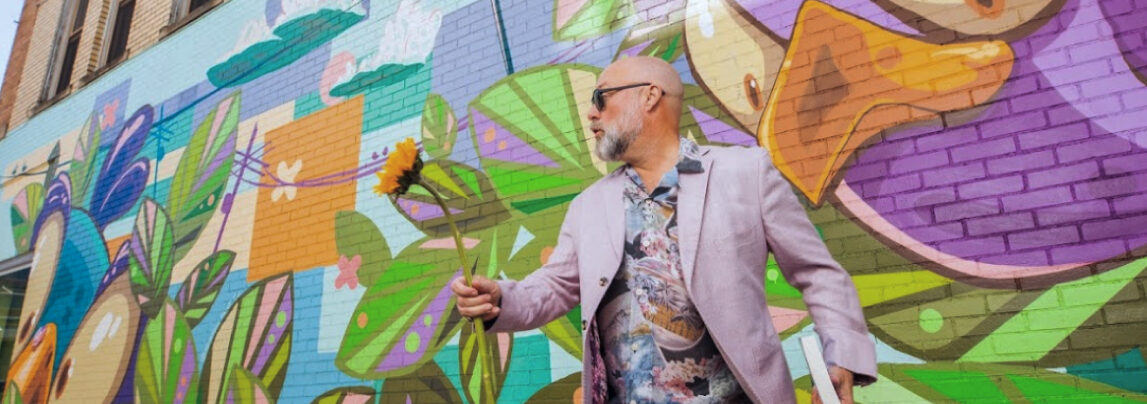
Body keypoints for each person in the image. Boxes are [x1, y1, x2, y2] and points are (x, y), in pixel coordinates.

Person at [451, 56, 876, 403]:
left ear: (649, 96)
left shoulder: (745, 173)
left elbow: (816, 272)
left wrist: (841, 355)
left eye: (602, 97)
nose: (591, 112)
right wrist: (501, 299)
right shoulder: (588, 206)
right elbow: (557, 285)